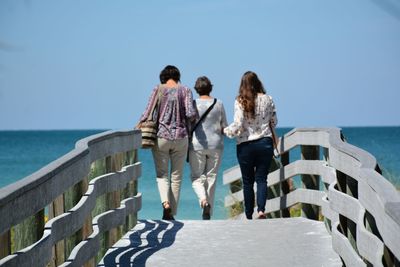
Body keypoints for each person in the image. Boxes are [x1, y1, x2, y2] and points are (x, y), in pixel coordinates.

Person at [138, 65, 196, 220]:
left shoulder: (158, 89)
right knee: (176, 176)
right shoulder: (186, 90)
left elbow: (147, 111)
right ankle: (172, 213)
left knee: (162, 174)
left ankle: (165, 204)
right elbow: (191, 113)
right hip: (181, 137)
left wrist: (139, 124)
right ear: (178, 76)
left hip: (161, 137)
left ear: (163, 77)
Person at [224, 71, 277, 220]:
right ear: (258, 82)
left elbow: (238, 124)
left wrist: (225, 131)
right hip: (264, 143)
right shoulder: (268, 99)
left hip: (245, 145)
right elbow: (274, 121)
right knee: (262, 179)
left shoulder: (240, 100)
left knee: (247, 181)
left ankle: (248, 214)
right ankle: (261, 210)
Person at [188, 76, 228, 220]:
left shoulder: (192, 104)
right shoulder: (219, 103)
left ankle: (203, 201)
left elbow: (189, 124)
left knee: (196, 177)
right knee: (211, 177)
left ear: (197, 89)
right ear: (210, 87)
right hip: (216, 145)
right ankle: (208, 212)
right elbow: (224, 126)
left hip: (197, 145)